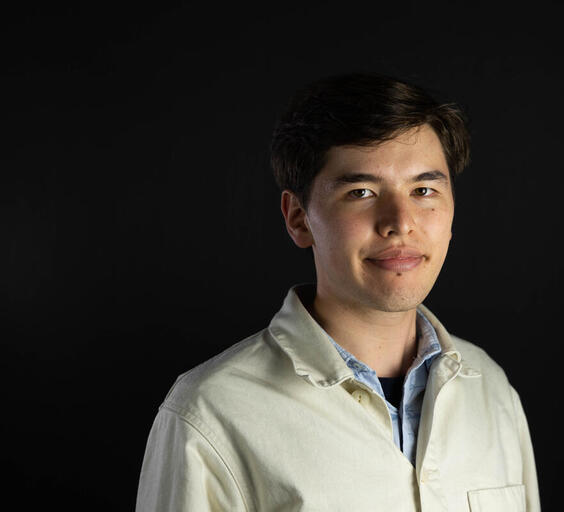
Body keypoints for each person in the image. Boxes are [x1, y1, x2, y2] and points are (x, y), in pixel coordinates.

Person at [136, 73, 541, 512]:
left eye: (423, 190)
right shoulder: (210, 413)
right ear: (298, 218)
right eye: (361, 192)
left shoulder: (492, 391)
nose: (400, 222)